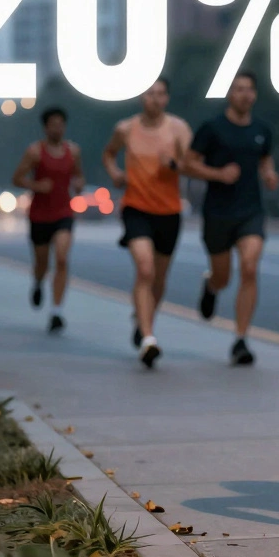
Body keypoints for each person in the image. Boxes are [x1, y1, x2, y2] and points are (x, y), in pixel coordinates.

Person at [186, 71, 279, 366]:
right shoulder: (212, 129)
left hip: (250, 211)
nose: (244, 94)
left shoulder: (262, 129)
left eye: (249, 89)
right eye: (238, 89)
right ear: (229, 94)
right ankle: (211, 285)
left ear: (254, 94)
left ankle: (240, 340)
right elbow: (188, 164)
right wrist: (218, 174)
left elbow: (265, 159)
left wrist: (269, 175)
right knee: (223, 276)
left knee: (250, 268)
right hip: (217, 213)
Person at [103, 77, 192, 369]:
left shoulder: (178, 129)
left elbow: (192, 165)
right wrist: (115, 173)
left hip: (168, 211)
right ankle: (148, 339)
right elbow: (108, 154)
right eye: (150, 93)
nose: (155, 98)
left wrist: (174, 165)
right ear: (141, 98)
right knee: (145, 269)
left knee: (159, 279)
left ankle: (143, 321)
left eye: (161, 94)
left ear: (167, 98)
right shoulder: (126, 128)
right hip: (136, 208)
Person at [12, 107, 84, 333]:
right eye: (53, 124)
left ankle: (56, 312)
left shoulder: (73, 151)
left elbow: (78, 175)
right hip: (39, 215)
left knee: (62, 258)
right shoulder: (35, 152)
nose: (57, 128)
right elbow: (17, 178)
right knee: (42, 263)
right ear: (46, 127)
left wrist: (79, 184)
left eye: (61, 123)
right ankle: (38, 282)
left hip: (63, 213)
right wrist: (37, 186)